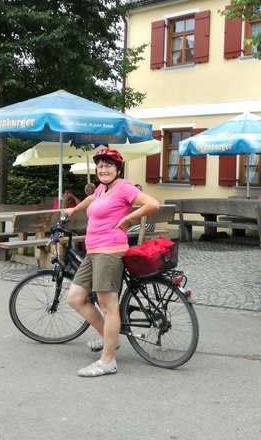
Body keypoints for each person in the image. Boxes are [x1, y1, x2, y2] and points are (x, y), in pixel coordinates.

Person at [64, 148, 159, 377]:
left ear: (118, 169)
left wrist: (128, 218)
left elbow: (152, 204)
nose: (103, 169)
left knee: (108, 306)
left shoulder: (124, 187)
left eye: (108, 166)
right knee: (75, 298)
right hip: (93, 251)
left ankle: (108, 361)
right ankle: (110, 339)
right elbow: (90, 198)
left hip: (110, 252)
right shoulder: (102, 188)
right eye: (100, 166)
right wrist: (73, 209)